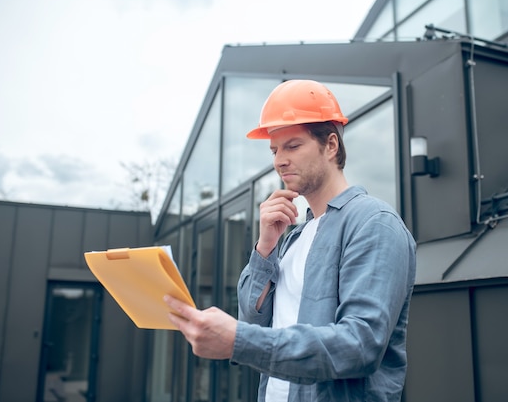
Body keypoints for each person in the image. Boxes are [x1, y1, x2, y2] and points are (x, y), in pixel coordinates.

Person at [164, 79, 417, 401]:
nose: (279, 160)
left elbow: (360, 345)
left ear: (331, 146)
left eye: (292, 146)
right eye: (274, 149)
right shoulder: (291, 236)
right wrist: (265, 247)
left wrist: (239, 341)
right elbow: (254, 319)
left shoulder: (373, 223)